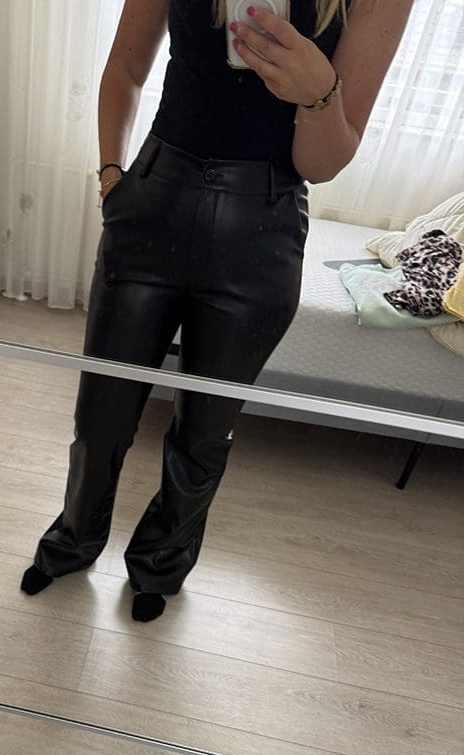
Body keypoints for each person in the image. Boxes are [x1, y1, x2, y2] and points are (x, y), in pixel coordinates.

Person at [21, 0, 412, 621]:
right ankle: (73, 541)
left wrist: (317, 93)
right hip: (152, 202)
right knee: (100, 415)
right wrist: (112, 175)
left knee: (204, 432)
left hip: (261, 228)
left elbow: (321, 165)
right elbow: (126, 67)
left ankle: (160, 564)